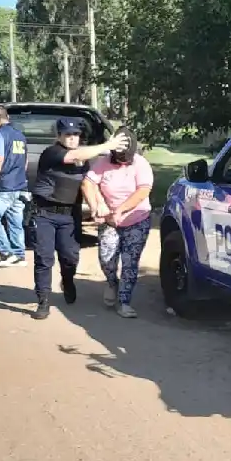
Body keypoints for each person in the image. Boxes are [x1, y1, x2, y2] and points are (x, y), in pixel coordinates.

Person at [29, 119, 128, 321]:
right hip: (45, 213)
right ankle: (43, 300)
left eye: (75, 135)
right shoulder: (52, 153)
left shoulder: (84, 160)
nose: (72, 138)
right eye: (67, 134)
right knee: (44, 258)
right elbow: (73, 155)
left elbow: (89, 183)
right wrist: (109, 145)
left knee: (70, 257)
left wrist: (97, 204)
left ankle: (67, 280)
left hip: (69, 215)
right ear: (58, 136)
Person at [86, 126, 154, 319]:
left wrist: (120, 210)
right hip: (109, 222)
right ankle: (111, 283)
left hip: (136, 221)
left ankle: (124, 302)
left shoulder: (141, 164)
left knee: (130, 263)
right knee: (107, 259)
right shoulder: (103, 162)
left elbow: (143, 191)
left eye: (127, 157)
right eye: (120, 157)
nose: (124, 161)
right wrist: (96, 205)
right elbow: (88, 183)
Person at [0, 105, 31, 268]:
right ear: (8, 117)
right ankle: (19, 255)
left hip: (4, 185)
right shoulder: (20, 135)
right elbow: (25, 161)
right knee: (15, 221)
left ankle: (6, 253)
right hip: (20, 185)